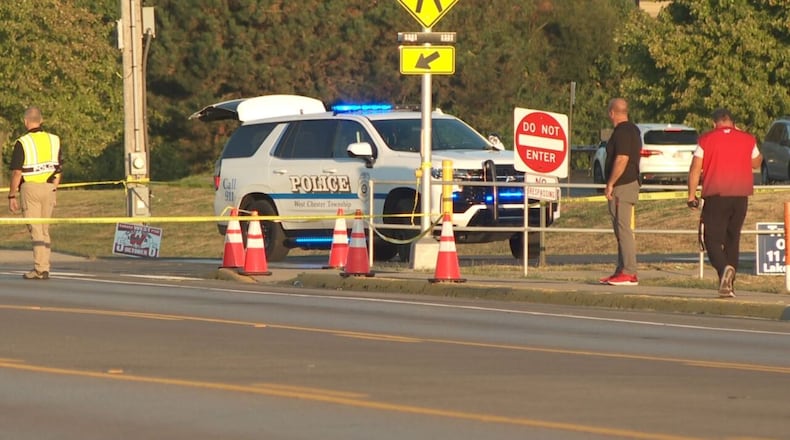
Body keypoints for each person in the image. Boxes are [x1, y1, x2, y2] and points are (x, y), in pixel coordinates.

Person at [687, 108, 761, 298]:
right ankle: (728, 286)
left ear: (714, 123)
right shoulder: (747, 138)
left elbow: (695, 169)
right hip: (741, 195)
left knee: (711, 239)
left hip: (716, 195)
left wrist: (691, 196)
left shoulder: (706, 139)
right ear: (733, 122)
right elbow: (756, 163)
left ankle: (723, 269)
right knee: (732, 239)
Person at [7, 106, 63, 280]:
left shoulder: (23, 142)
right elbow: (58, 168)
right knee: (44, 229)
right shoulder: (54, 140)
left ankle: (40, 268)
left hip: (30, 188)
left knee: (36, 229)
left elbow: (17, 172)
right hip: (49, 187)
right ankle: (44, 266)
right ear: (41, 120)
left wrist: (11, 195)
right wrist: (54, 188)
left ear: (25, 121)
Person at [600, 98, 642, 286]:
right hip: (627, 184)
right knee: (620, 229)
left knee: (623, 229)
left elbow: (622, 159)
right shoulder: (633, 130)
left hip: (622, 186)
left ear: (612, 113)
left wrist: (610, 183)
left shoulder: (623, 132)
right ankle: (621, 269)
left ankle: (629, 271)